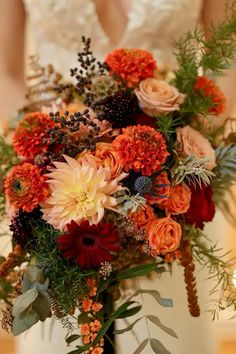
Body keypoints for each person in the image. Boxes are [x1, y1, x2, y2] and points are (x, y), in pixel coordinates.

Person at [0, 1, 235, 353]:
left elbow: (227, 62)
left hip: (167, 188)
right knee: (65, 328)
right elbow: (5, 72)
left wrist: (177, 160)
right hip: (57, 189)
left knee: (169, 326)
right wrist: (46, 155)